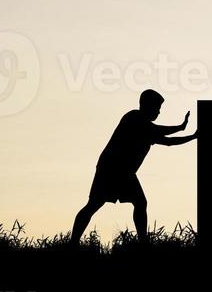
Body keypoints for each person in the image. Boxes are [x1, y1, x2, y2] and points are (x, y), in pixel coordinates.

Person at [70, 89, 197, 244]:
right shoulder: (134, 118)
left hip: (123, 171)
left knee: (135, 203)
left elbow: (161, 134)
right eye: (157, 108)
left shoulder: (143, 124)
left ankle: (142, 242)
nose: (158, 112)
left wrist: (181, 128)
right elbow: (165, 138)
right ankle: (73, 243)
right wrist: (188, 133)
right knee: (96, 205)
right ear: (146, 106)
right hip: (112, 169)